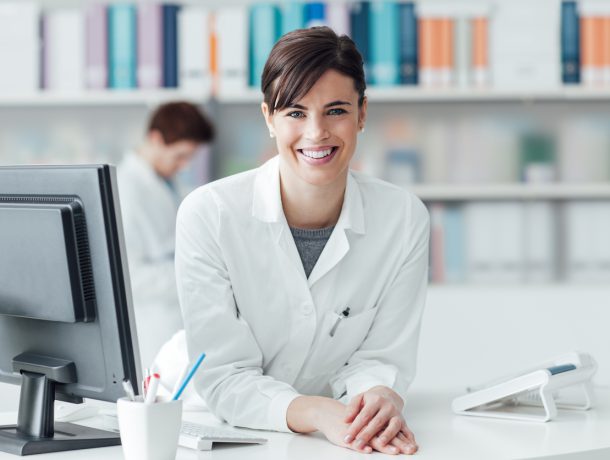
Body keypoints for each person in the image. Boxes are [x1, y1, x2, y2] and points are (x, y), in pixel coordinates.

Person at [174, 27, 429, 455]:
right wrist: (316, 413)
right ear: (269, 119)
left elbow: (381, 358)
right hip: (214, 428)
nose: (316, 133)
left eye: (336, 111)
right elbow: (224, 376)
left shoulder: (402, 219)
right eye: (295, 113)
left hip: (330, 436)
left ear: (362, 114)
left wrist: (379, 399)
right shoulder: (209, 214)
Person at [117, 101, 214, 368]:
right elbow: (128, 274)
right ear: (155, 138)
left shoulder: (169, 183)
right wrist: (193, 275)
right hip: (153, 324)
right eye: (180, 156)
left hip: (179, 318)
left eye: (190, 158)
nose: (184, 165)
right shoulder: (126, 191)